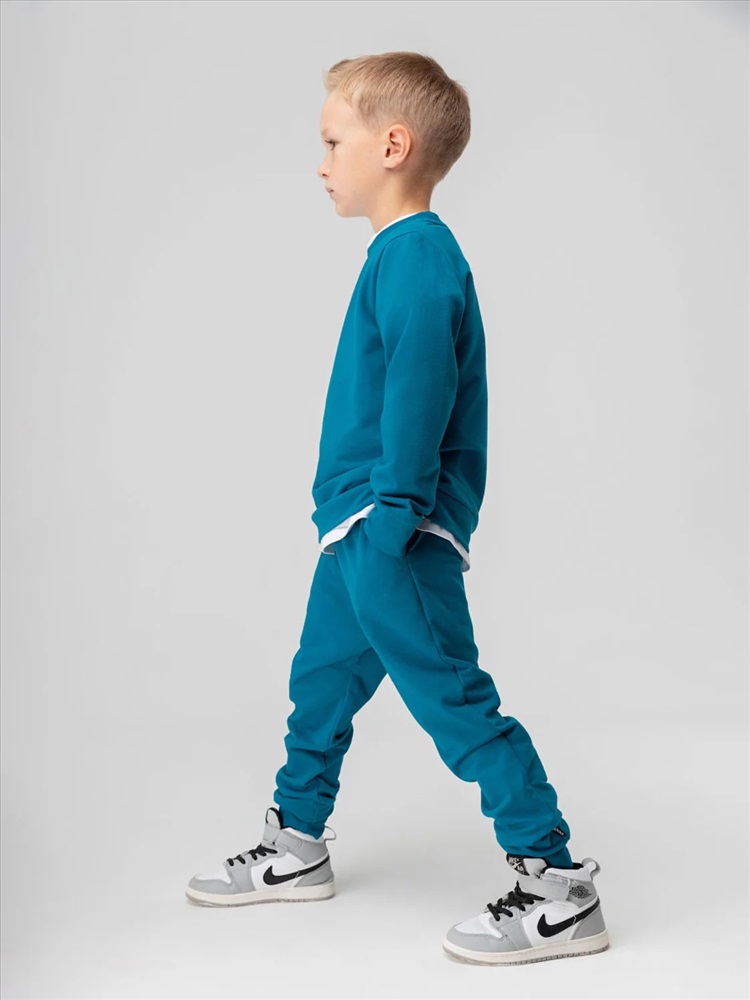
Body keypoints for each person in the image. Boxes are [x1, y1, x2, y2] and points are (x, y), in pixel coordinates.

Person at [186, 50, 609, 967]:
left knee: (455, 701)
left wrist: (395, 515)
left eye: (332, 142)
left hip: (394, 529)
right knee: (321, 684)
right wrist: (364, 523)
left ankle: (558, 887)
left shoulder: (417, 256)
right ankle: (297, 843)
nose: (321, 163)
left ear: (392, 145)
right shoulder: (397, 255)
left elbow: (421, 388)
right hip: (359, 527)